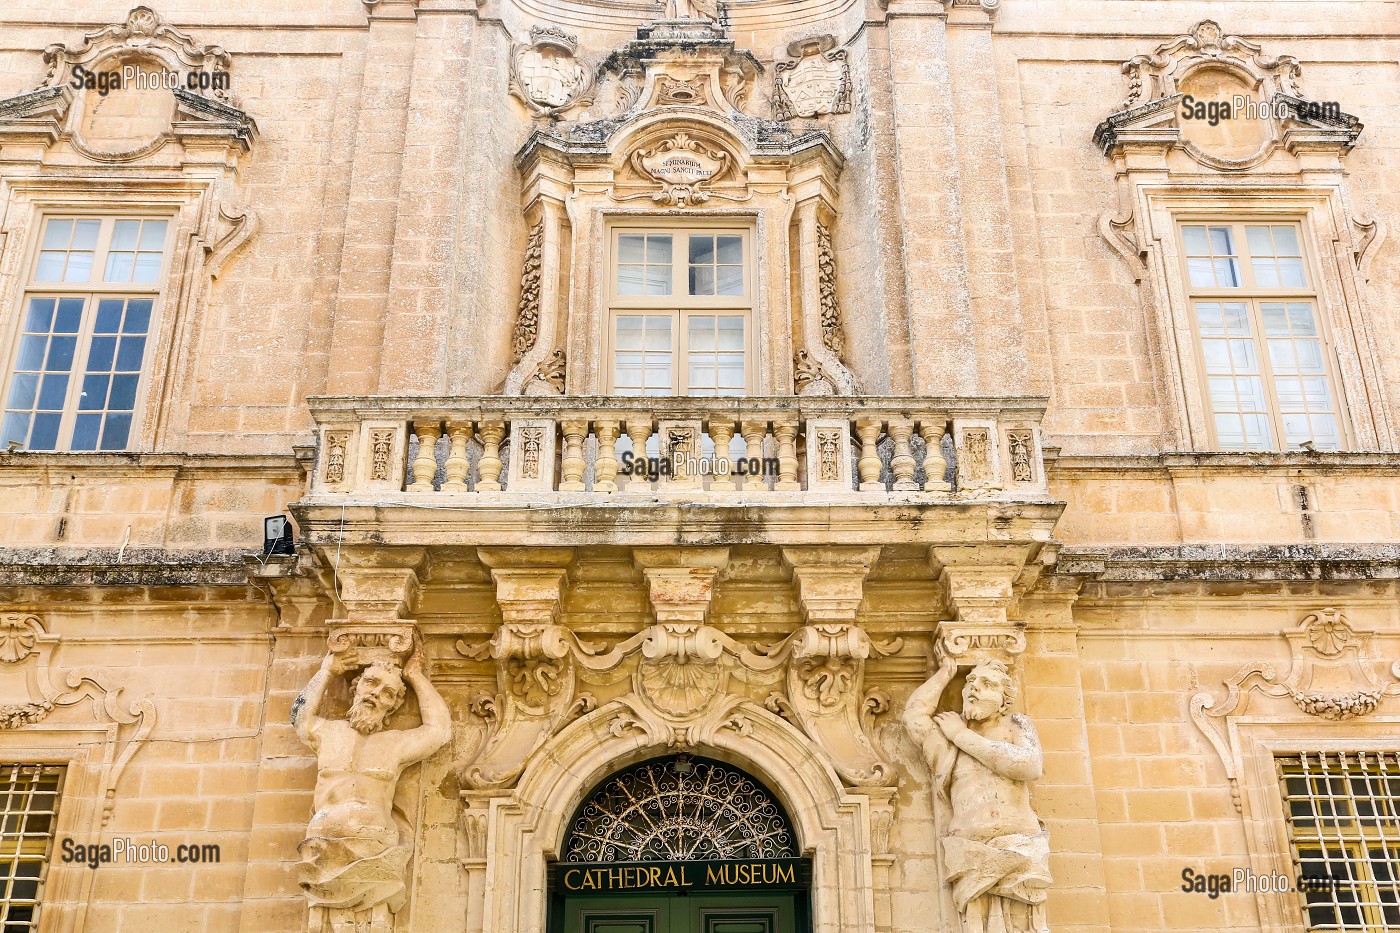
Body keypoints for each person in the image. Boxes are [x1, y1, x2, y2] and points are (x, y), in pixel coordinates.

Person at [294, 648, 451, 932]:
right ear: (357, 687)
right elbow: (299, 717)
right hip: (322, 848)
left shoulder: (395, 744)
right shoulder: (328, 734)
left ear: (392, 706)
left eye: (388, 693)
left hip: (375, 849)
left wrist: (415, 677)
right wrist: (327, 670)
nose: (376, 694)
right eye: (371, 683)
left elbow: (439, 731)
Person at [903, 654, 1052, 933]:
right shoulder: (945, 743)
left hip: (1019, 847)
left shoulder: (1014, 726)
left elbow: (1029, 765)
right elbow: (914, 718)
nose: (974, 688)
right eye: (970, 681)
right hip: (970, 853)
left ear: (1004, 700)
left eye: (987, 684)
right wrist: (945, 673)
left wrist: (962, 736)